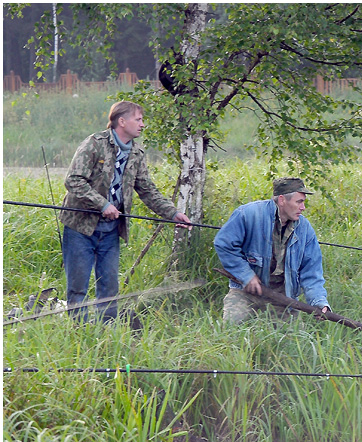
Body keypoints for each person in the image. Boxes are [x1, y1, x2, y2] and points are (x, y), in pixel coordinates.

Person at [60, 100, 192, 322]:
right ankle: (78, 335)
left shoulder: (137, 153)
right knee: (77, 288)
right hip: (80, 227)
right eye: (138, 119)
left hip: (111, 231)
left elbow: (147, 190)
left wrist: (172, 213)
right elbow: (73, 181)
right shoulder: (94, 144)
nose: (142, 125)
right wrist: (103, 204)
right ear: (122, 121)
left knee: (109, 287)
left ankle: (107, 334)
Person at [214, 177, 331, 324]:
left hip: (283, 296)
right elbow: (223, 244)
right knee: (232, 328)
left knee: (294, 341)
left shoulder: (305, 229)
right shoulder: (248, 214)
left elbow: (312, 271)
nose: (303, 207)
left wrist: (319, 301)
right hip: (245, 292)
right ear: (282, 200)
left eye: (303, 202)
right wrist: (246, 275)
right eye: (299, 202)